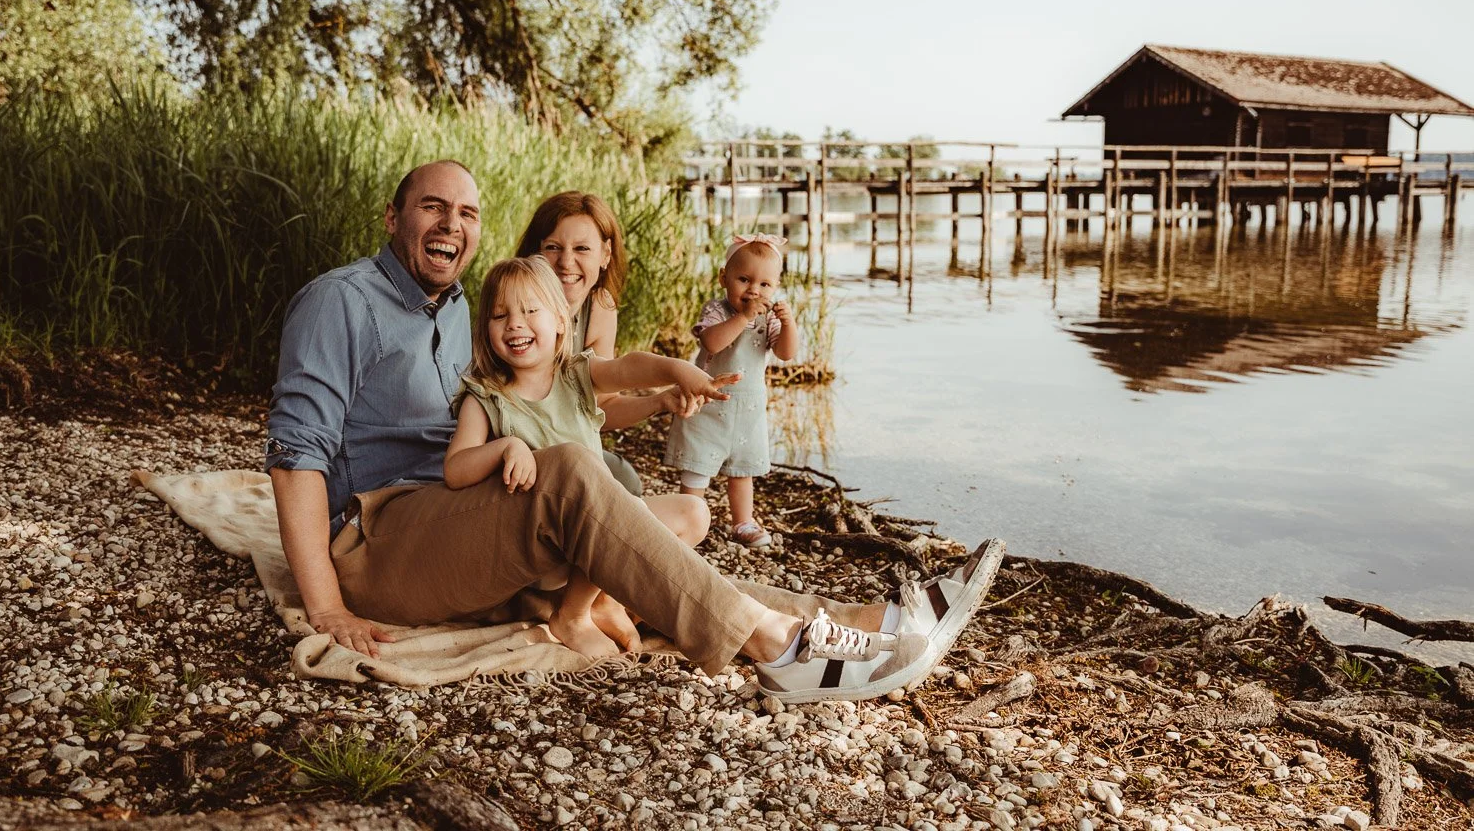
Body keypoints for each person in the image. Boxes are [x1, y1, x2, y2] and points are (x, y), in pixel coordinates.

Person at [265, 159, 996, 703]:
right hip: (382, 540)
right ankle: (776, 645)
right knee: (574, 472)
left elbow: (573, 387)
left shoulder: (459, 310)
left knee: (630, 551)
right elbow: (296, 455)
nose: (452, 224)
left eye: (467, 212)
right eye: (432, 207)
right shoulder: (339, 303)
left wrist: (660, 386)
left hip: (469, 523)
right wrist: (327, 605)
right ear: (394, 219)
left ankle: (870, 624)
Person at [446, 256, 734, 658]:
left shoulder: (575, 375)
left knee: (694, 514)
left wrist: (681, 371)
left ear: (562, 321)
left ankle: (601, 598)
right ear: (486, 329)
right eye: (500, 315)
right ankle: (572, 614)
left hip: (596, 538)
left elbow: (629, 367)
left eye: (531, 311)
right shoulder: (487, 397)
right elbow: (456, 470)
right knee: (604, 513)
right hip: (541, 550)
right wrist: (506, 447)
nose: (515, 323)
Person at [515, 191, 681, 496]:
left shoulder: (600, 306)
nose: (566, 262)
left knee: (626, 481)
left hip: (569, 446)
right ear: (532, 254)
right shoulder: (516, 307)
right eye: (552, 247)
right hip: (517, 449)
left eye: (582, 248)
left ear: (605, 255)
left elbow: (603, 405)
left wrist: (660, 401)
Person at [665, 234, 795, 549]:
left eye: (765, 285)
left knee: (741, 470)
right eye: (744, 279)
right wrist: (744, 317)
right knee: (697, 466)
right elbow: (712, 343)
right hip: (708, 407)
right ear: (724, 278)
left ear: (775, 287)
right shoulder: (719, 311)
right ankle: (686, 518)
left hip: (747, 412)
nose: (754, 290)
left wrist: (789, 325)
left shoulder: (769, 319)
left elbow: (786, 354)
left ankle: (743, 522)